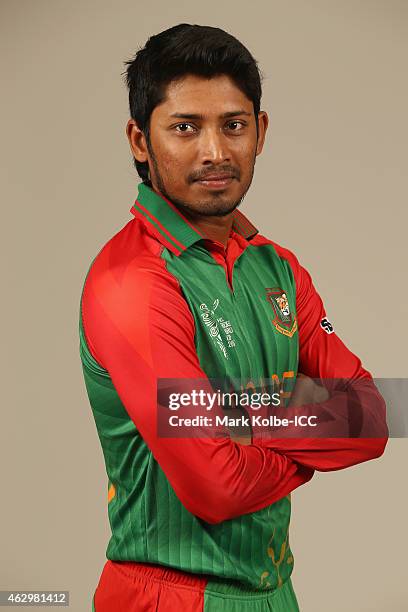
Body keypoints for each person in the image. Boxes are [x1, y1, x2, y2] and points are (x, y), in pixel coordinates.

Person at [79, 23, 388, 612]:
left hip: (275, 592)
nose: (216, 152)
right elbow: (214, 486)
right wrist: (306, 439)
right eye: (186, 128)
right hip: (170, 596)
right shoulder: (134, 281)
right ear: (140, 140)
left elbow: (371, 415)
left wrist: (238, 421)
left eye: (234, 125)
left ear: (261, 132)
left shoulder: (278, 268)